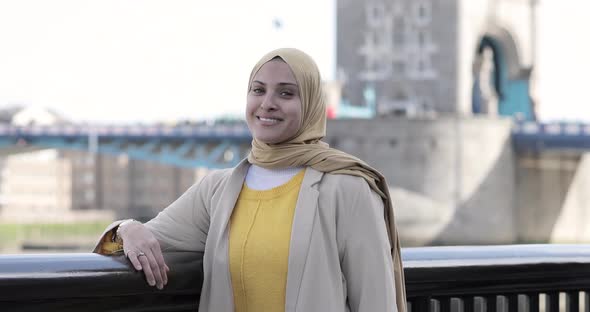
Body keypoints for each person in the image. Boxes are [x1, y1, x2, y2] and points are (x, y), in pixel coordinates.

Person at [94, 48, 406, 312]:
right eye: (258, 90)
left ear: (311, 104)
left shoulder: (348, 189)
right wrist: (127, 228)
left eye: (286, 93)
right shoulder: (217, 190)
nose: (267, 103)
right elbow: (134, 248)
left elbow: (376, 301)